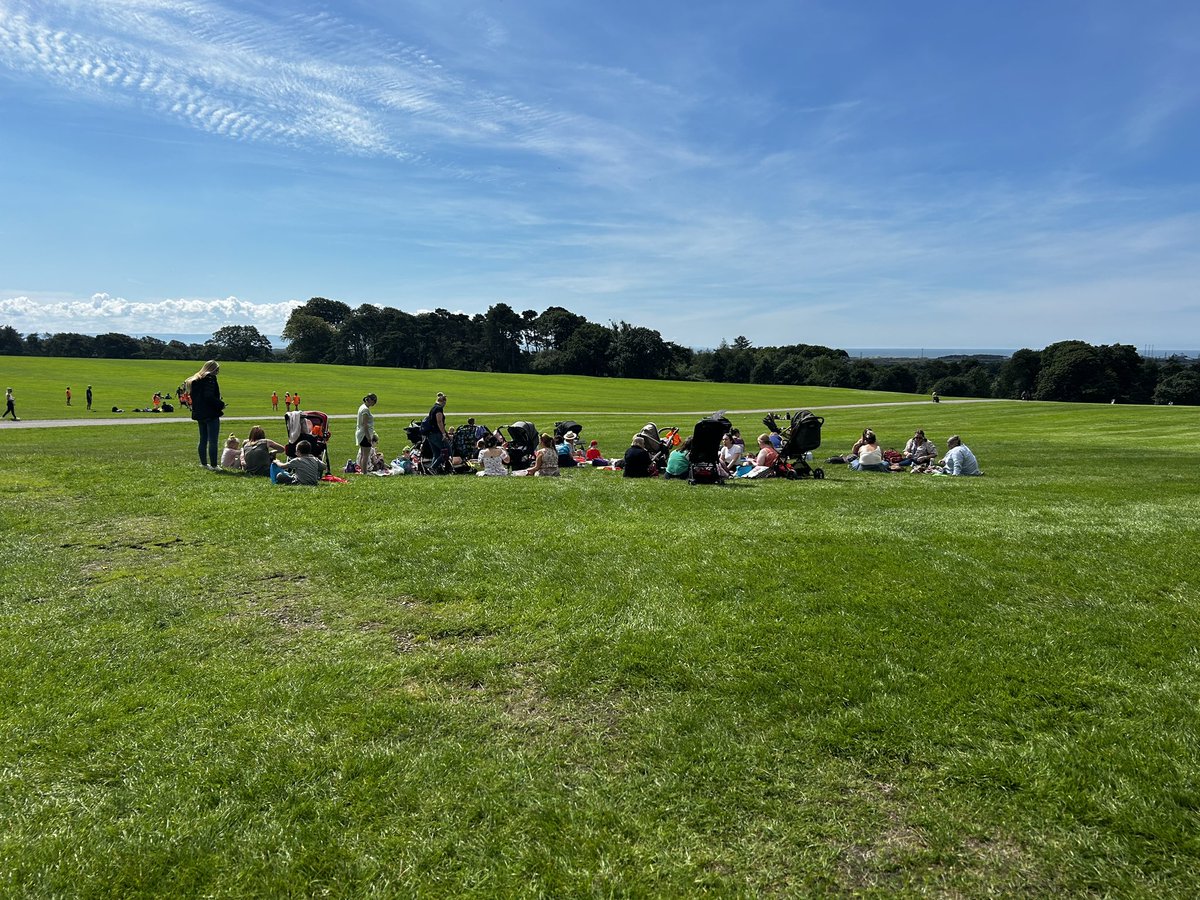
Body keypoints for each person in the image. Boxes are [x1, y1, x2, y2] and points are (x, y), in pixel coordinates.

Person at [185, 361, 224, 468]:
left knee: (203, 439)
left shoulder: (196, 380)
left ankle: (203, 463)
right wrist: (220, 404)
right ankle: (214, 465)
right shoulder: (210, 379)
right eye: (217, 369)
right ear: (213, 369)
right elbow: (209, 397)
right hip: (210, 413)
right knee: (213, 441)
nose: (218, 372)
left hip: (199, 413)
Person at [424, 392, 449, 473]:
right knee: (445, 452)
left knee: (436, 453)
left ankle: (432, 469)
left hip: (430, 434)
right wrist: (444, 433)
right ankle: (433, 467)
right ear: (443, 402)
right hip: (436, 433)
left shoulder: (433, 408)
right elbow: (439, 421)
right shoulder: (438, 409)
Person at [355, 393, 378, 475]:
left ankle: (362, 471)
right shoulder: (365, 410)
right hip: (364, 434)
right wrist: (369, 437)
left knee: (363, 454)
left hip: (361, 433)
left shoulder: (362, 407)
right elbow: (365, 425)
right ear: (370, 400)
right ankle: (364, 472)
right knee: (366, 455)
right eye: (374, 401)